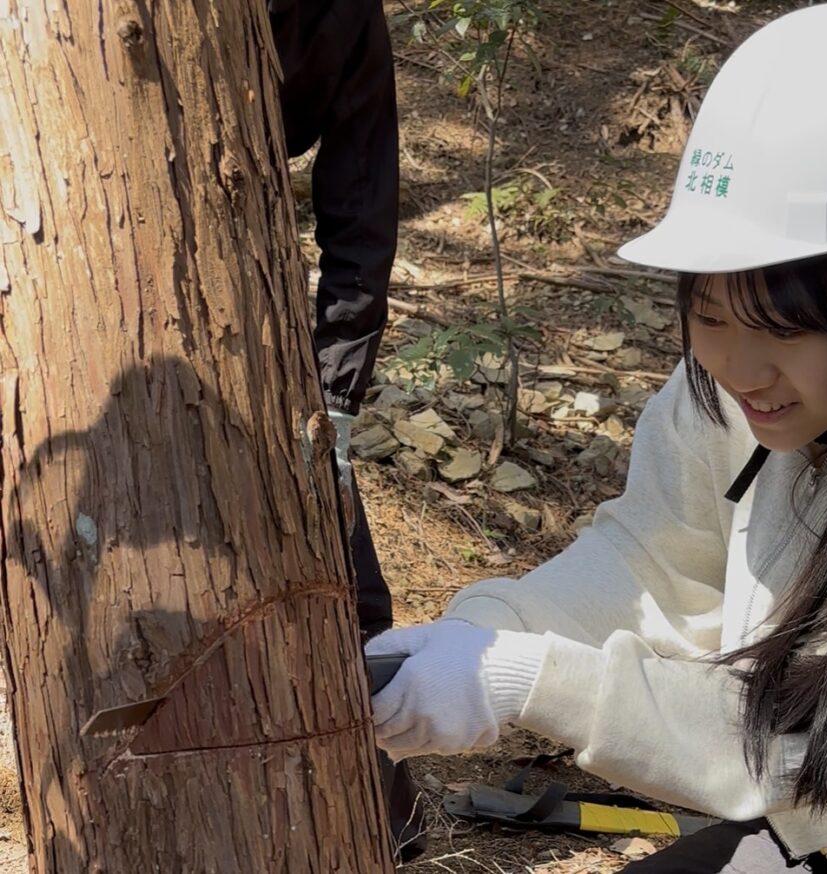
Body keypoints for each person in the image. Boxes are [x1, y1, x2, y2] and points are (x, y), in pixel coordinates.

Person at [364, 4, 827, 872]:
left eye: (784, 331)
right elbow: (654, 561)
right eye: (709, 314)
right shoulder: (739, 388)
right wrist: (490, 635)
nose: (738, 369)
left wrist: (542, 685)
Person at [267, 0, 425, 860]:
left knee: (351, 595)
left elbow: (361, 210)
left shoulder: (338, 14)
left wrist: (330, 396)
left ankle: (377, 827)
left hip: (256, 311)